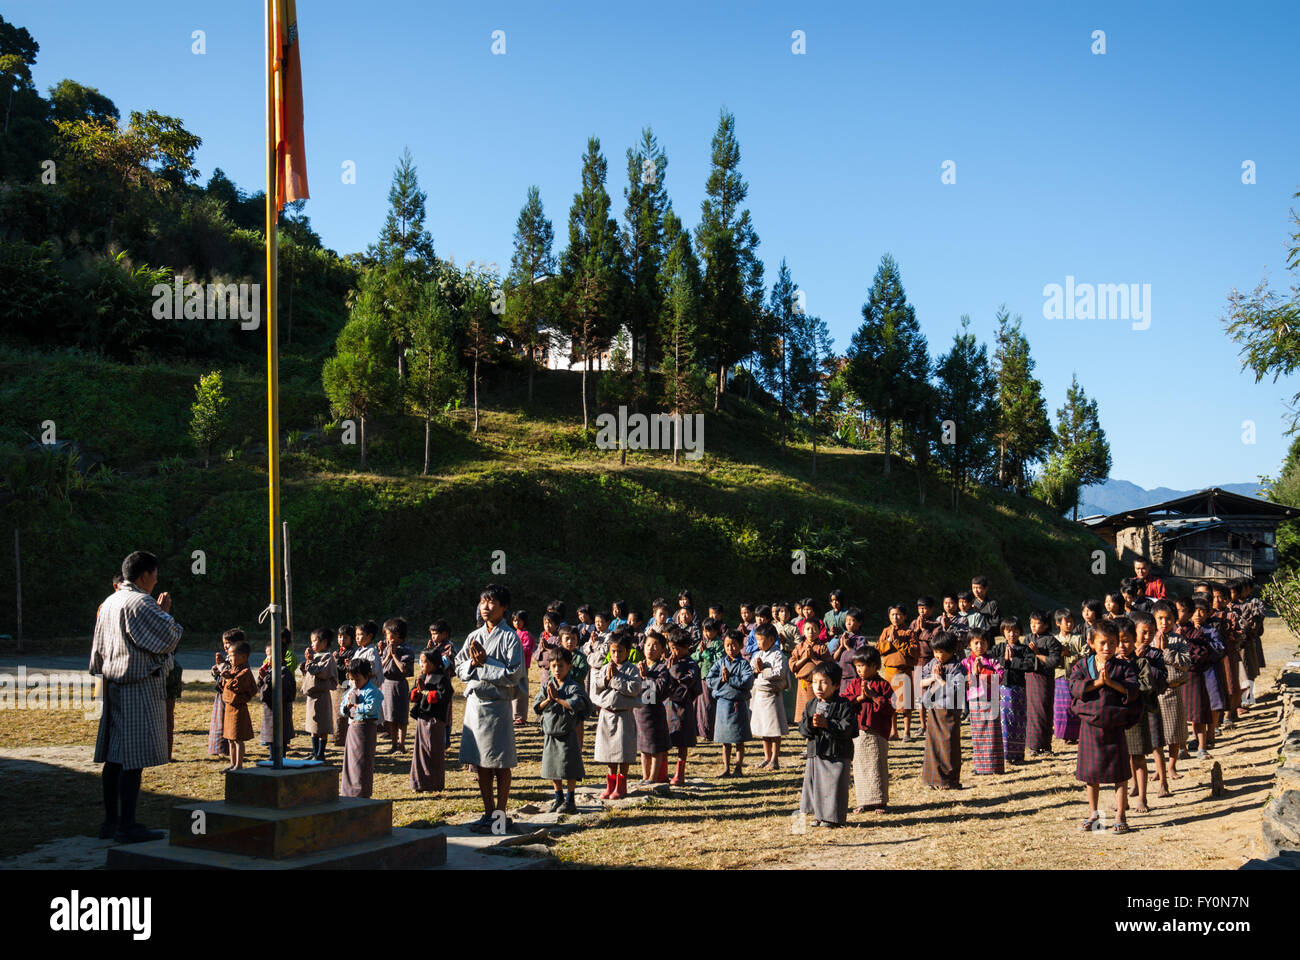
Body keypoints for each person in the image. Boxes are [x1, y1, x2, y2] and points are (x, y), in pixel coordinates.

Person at [89, 550, 182, 843]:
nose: (156, 580)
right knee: (132, 759)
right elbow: (171, 636)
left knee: (115, 758)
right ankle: (127, 827)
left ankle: (110, 823)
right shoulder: (140, 602)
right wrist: (164, 612)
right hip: (138, 685)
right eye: (155, 575)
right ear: (144, 575)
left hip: (113, 683)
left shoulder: (111, 601)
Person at [456, 583, 525, 832]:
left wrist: (485, 663)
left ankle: (500, 815)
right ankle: (488, 813)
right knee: (480, 762)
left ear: (504, 608)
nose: (486, 607)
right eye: (483, 602)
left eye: (492, 602)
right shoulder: (473, 636)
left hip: (498, 707)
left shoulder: (510, 637)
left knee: (500, 762)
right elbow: (459, 665)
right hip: (475, 705)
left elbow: (514, 674)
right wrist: (474, 665)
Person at [1069, 619, 1141, 835]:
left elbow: (1133, 689)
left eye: (1111, 643)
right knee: (1091, 775)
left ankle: (1121, 815)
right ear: (1091, 643)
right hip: (1090, 727)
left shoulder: (1124, 667)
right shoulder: (1082, 666)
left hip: (1114, 726)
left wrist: (1111, 683)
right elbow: (1073, 686)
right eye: (1102, 643)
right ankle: (1094, 814)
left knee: (1120, 774)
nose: (1107, 648)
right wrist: (1097, 683)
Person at [797, 663, 857, 828]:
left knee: (834, 785)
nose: (818, 687)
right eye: (815, 682)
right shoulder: (811, 705)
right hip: (816, 751)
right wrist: (811, 724)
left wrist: (828, 724)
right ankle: (818, 815)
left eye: (824, 682)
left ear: (836, 685)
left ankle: (833, 818)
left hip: (837, 753)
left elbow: (849, 728)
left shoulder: (844, 704)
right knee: (816, 784)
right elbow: (802, 729)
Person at [1121, 612, 1168, 810]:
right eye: (1143, 633)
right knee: (1127, 756)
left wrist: (1145, 661)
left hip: (1145, 708)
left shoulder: (1152, 655)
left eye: (1150, 633)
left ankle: (1147, 793)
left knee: (1149, 749)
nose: (1146, 637)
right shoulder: (1115, 660)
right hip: (1121, 714)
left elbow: (1158, 681)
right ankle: (1128, 793)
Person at [535, 647, 590, 813]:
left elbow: (578, 703)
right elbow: (537, 706)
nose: (557, 670)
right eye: (553, 666)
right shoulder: (547, 686)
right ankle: (558, 797)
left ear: (569, 667)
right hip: (551, 733)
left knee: (569, 768)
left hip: (568, 733)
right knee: (553, 768)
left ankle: (570, 799)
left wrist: (558, 699)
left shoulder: (573, 687)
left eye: (561, 666)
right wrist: (549, 699)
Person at [593, 629, 645, 799]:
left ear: (628, 652)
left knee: (622, 753)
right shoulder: (605, 667)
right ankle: (610, 784)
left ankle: (621, 786)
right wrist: (606, 679)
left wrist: (615, 680)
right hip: (607, 715)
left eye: (620, 651)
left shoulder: (632, 670)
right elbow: (597, 687)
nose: (616, 655)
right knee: (608, 753)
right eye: (613, 651)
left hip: (624, 716)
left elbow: (634, 689)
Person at [841, 646, 894, 811]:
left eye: (862, 666)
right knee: (860, 767)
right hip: (858, 733)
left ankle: (879, 801)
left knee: (877, 766)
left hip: (877, 732)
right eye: (857, 666)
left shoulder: (883, 685)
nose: (859, 670)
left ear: (874, 666)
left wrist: (873, 696)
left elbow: (891, 707)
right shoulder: (854, 684)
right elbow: (844, 702)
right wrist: (859, 698)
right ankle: (863, 801)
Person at [919, 631, 966, 790]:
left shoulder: (957, 667)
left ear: (952, 651)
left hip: (950, 711)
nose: (938, 655)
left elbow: (957, 691)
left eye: (941, 652)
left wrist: (940, 680)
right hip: (934, 709)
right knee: (932, 744)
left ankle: (948, 781)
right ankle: (933, 779)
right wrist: (933, 678)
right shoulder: (932, 663)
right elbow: (920, 682)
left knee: (948, 744)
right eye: (935, 651)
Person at [1151, 600, 1191, 782]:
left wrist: (1166, 650)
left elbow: (1185, 664)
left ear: (1174, 620)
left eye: (1168, 619)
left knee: (1174, 733)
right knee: (1156, 733)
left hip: (1172, 691)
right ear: (1154, 619)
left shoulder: (1179, 640)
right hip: (1153, 693)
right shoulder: (1148, 639)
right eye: (1160, 618)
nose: (1164, 623)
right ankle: (1159, 769)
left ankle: (1172, 766)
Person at [708, 629, 756, 777]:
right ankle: (726, 768)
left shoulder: (744, 664)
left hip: (737, 705)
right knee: (725, 741)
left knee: (739, 740)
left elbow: (747, 682)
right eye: (727, 645)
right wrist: (722, 680)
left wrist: (730, 679)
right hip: (723, 705)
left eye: (734, 645)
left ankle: (738, 768)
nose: (730, 648)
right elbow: (710, 680)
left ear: (741, 645)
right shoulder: (719, 663)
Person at [410, 648, 453, 793]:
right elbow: (414, 694)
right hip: (422, 718)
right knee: (420, 751)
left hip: (435, 720)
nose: (421, 665)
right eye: (420, 662)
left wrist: (426, 692)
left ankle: (433, 783)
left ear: (434, 663)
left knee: (432, 750)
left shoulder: (442, 678)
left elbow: (444, 696)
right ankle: (419, 782)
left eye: (424, 662)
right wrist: (417, 691)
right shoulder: (423, 677)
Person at [664, 626, 703, 785]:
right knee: (664, 740)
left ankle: (680, 773)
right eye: (671, 648)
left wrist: (674, 669)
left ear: (686, 647)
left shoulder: (690, 664)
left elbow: (689, 683)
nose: (673, 652)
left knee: (682, 742)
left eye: (675, 648)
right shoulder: (669, 660)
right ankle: (662, 771)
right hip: (667, 706)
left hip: (683, 707)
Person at [634, 630, 673, 785]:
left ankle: (653, 777)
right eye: (648, 645)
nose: (650, 648)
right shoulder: (638, 666)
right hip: (639, 711)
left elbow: (656, 691)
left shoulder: (662, 669)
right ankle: (645, 775)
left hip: (654, 712)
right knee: (643, 747)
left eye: (655, 646)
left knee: (656, 747)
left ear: (662, 650)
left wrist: (646, 677)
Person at [964, 629, 1005, 775]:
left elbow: (1000, 675)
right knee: (977, 734)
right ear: (969, 645)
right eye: (976, 643)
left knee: (993, 733)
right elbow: (964, 681)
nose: (979, 646)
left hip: (991, 699)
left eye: (983, 642)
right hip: (975, 702)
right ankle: (980, 766)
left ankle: (995, 766)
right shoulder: (966, 662)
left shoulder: (993, 661)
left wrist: (984, 673)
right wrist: (974, 673)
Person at [750, 622, 789, 770]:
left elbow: (779, 672)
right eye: (757, 640)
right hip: (760, 694)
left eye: (762, 639)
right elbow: (751, 668)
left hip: (772, 695)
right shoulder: (758, 654)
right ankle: (767, 757)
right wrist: (756, 670)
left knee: (774, 729)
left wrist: (763, 670)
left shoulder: (778, 655)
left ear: (772, 639)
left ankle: (775, 759)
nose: (759, 643)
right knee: (764, 729)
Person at [339, 660, 382, 798]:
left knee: (362, 762)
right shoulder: (351, 691)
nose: (354, 683)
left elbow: (371, 708)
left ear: (367, 675)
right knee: (351, 761)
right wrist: (346, 708)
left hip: (366, 729)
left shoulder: (372, 691)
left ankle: (361, 792)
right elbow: (343, 708)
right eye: (351, 679)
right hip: (353, 728)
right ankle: (348, 791)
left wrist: (356, 706)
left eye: (357, 679)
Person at [877, 604, 919, 740]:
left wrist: (898, 642)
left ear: (905, 616)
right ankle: (893, 732)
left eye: (898, 614)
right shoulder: (886, 631)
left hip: (904, 671)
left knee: (906, 705)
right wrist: (889, 641)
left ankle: (906, 732)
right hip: (889, 672)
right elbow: (878, 649)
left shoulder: (909, 632)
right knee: (891, 704)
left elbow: (915, 652)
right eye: (892, 615)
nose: (895, 617)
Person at [1024, 610, 1062, 755]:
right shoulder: (1028, 638)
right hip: (1029, 678)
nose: (1033, 626)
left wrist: (1037, 653)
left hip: (1044, 679)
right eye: (1031, 623)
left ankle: (1045, 745)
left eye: (1037, 623)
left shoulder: (1051, 641)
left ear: (1046, 625)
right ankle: (1033, 746)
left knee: (1043, 711)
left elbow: (1053, 661)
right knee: (1031, 712)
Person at [299, 628, 338, 761]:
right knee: (313, 726)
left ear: (324, 642)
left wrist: (310, 662)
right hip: (312, 697)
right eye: (311, 641)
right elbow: (308, 673)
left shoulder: (328, 657)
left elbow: (320, 673)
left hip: (322, 696)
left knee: (322, 726)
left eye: (315, 641)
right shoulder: (315, 657)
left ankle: (321, 753)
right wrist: (306, 663)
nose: (312, 644)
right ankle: (314, 751)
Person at [380, 617, 416, 753]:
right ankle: (394, 744)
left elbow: (404, 669)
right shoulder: (386, 648)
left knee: (401, 717)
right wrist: (388, 655)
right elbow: (381, 667)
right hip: (387, 684)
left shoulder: (407, 650)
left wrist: (394, 655)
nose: (386, 636)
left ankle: (401, 745)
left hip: (399, 684)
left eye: (388, 633)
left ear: (397, 634)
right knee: (390, 717)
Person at [222, 637, 257, 771]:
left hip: (238, 709)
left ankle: (239, 764)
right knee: (230, 738)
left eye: (232, 655)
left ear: (243, 657)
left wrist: (229, 679)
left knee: (238, 739)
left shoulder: (245, 671)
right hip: (229, 708)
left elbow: (238, 685)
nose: (229, 658)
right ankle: (232, 763)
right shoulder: (233, 669)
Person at [1053, 608, 1086, 744]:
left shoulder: (1078, 639)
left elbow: (1086, 655)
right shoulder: (1054, 640)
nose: (1069, 624)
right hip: (1060, 675)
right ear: (1058, 623)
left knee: (1076, 704)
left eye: (1071, 621)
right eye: (1066, 622)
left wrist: (1070, 655)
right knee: (1063, 706)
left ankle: (1077, 734)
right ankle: (1064, 734)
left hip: (1076, 676)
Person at [692, 617, 724, 741]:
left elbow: (719, 659)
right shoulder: (703, 642)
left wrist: (705, 653)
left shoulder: (718, 643)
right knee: (699, 705)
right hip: (701, 675)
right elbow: (694, 655)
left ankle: (708, 732)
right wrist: (700, 654)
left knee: (708, 705)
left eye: (709, 631)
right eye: (705, 631)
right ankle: (700, 730)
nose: (707, 633)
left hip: (712, 677)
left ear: (716, 631)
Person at [207, 633, 234, 760]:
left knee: (226, 722)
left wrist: (222, 665)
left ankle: (225, 748)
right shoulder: (228, 657)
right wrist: (216, 670)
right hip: (221, 694)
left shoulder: (238, 658)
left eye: (228, 643)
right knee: (218, 722)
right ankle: (217, 748)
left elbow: (232, 674)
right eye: (224, 644)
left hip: (229, 695)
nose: (225, 646)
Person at [331, 624, 356, 748]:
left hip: (346, 685)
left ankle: (341, 738)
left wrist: (338, 661)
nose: (342, 640)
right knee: (335, 712)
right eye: (340, 637)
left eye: (345, 637)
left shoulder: (351, 652)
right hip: (338, 686)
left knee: (343, 712)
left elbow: (345, 671)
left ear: (351, 639)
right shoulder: (339, 651)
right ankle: (335, 735)